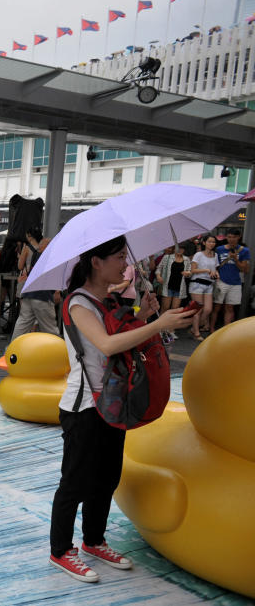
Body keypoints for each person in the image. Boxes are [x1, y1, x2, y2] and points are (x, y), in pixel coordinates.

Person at [48, 235, 196, 583]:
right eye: (117, 257)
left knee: (107, 478)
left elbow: (120, 332)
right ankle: (60, 550)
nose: (124, 264)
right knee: (75, 482)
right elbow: (107, 343)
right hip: (84, 406)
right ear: (96, 262)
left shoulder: (107, 299)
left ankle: (93, 540)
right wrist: (157, 325)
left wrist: (143, 316)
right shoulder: (78, 303)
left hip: (113, 403)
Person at [11, 227, 59, 339]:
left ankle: (12, 350)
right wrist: (57, 291)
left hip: (28, 292)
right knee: (49, 328)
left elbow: (20, 266)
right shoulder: (47, 258)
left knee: (23, 322)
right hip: (42, 295)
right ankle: (53, 351)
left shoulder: (32, 252)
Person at [211, 229, 249, 330]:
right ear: (226, 237)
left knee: (230, 307)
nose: (231, 239)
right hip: (221, 281)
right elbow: (214, 265)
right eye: (229, 237)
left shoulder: (244, 250)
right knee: (217, 307)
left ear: (239, 237)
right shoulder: (219, 249)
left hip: (236, 283)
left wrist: (236, 259)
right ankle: (211, 329)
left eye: (234, 237)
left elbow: (243, 269)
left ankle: (225, 331)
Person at [188, 234, 219, 341]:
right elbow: (193, 270)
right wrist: (207, 270)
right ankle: (196, 332)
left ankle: (193, 327)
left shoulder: (215, 255)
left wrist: (216, 274)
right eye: (209, 241)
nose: (212, 244)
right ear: (204, 243)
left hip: (209, 284)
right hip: (197, 284)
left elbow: (215, 269)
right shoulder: (198, 255)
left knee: (208, 309)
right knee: (198, 310)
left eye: (213, 242)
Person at [155, 244, 190, 317]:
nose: (180, 250)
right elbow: (158, 269)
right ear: (174, 249)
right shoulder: (167, 257)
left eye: (182, 248)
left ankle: (170, 328)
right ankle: (161, 326)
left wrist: (188, 273)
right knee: (165, 308)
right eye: (178, 248)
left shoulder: (186, 259)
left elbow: (190, 272)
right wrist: (158, 276)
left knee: (175, 310)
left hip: (179, 288)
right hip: (168, 286)